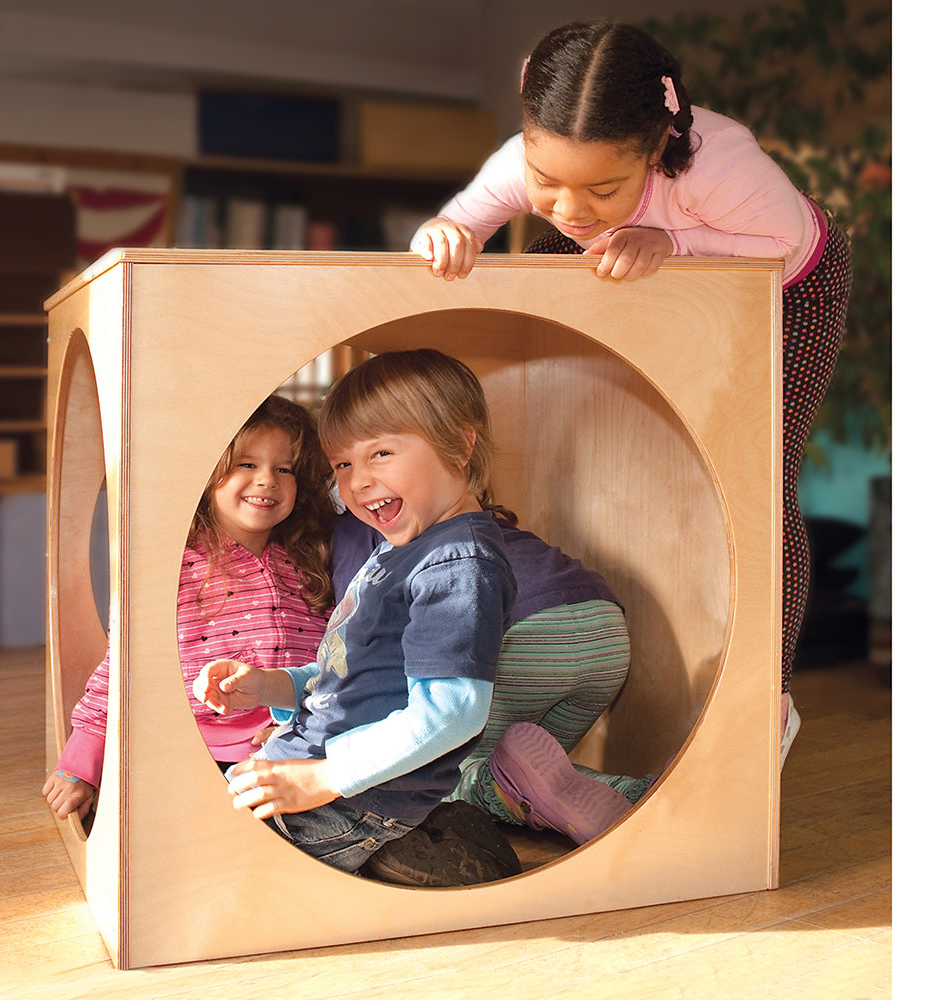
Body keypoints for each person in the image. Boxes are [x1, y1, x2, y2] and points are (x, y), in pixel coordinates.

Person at [410, 20, 851, 762]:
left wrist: (674, 242)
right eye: (547, 182)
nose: (572, 207)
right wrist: (446, 236)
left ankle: (764, 699)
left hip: (785, 282)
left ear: (654, 149)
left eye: (604, 188)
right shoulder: (531, 163)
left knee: (757, 478)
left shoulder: (719, 164)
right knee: (551, 253)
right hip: (656, 261)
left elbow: (787, 246)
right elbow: (459, 222)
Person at [193, 349, 520, 880]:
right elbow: (354, 676)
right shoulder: (400, 546)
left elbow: (454, 711)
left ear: (459, 446)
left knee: (219, 878)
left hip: (352, 797)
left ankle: (423, 852)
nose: (359, 481)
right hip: (311, 769)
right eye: (343, 464)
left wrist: (322, 779)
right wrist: (272, 686)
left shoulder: (458, 564)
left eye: (381, 453)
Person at [42, 396, 336, 822]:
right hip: (189, 750)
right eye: (246, 464)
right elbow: (122, 665)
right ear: (208, 472)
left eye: (283, 469)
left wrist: (299, 727)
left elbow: (327, 665)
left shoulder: (307, 560)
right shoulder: (174, 565)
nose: (267, 480)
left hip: (289, 744)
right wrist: (81, 761)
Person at [332, 507, 650, 858]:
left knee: (437, 781)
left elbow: (358, 648)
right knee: (539, 778)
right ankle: (642, 794)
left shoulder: (361, 529)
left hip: (526, 640)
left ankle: (500, 788)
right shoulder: (470, 519)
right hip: (605, 635)